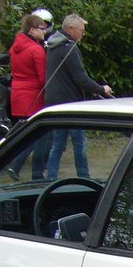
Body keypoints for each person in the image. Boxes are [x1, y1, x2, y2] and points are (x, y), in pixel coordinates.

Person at [43, 13, 112, 179]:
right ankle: (84, 177)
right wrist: (101, 89)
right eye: (81, 30)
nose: (83, 34)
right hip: (70, 103)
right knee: (79, 142)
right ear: (71, 29)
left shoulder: (53, 45)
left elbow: (66, 76)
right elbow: (81, 78)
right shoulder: (69, 48)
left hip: (54, 102)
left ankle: (51, 177)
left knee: (58, 143)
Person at [5, 11, 49, 179]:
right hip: (33, 95)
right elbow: (43, 78)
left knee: (26, 133)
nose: (44, 32)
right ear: (32, 30)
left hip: (17, 94)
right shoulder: (36, 50)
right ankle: (34, 172)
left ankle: (18, 167)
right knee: (39, 134)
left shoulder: (15, 48)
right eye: (41, 29)